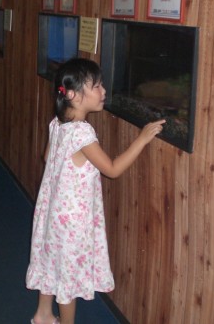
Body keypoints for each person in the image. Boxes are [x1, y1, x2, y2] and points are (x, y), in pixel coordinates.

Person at [26, 58, 165, 324]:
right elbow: (111, 169)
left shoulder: (58, 124)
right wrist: (142, 139)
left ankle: (43, 315)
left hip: (52, 213)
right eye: (97, 86)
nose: (103, 91)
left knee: (50, 262)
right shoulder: (81, 133)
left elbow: (47, 157)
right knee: (67, 276)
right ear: (74, 95)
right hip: (72, 221)